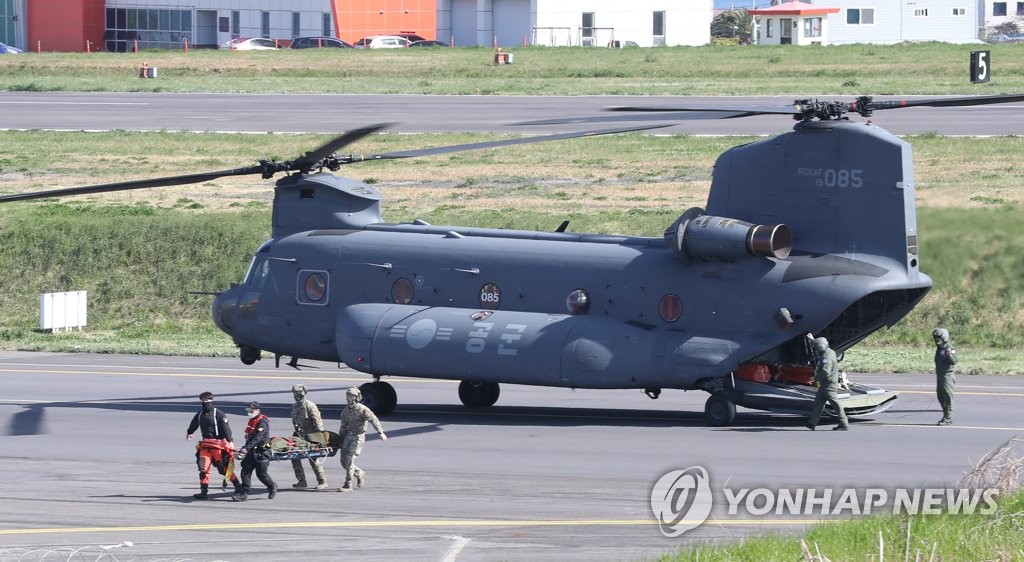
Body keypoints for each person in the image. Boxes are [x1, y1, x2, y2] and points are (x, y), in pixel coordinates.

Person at [186, 391, 242, 499]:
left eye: (207, 400)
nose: (205, 402)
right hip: (206, 446)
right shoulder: (200, 414)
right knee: (203, 469)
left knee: (224, 469)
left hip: (219, 446)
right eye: (203, 400)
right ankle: (204, 492)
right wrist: (190, 432)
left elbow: (226, 428)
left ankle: (238, 486)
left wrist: (230, 441)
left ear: (212, 400)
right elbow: (194, 423)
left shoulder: (219, 413)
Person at [337, 387, 387, 492]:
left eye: (351, 396)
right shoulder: (346, 410)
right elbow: (343, 426)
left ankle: (348, 484)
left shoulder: (362, 409)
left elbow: (374, 420)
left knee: (350, 460)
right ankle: (359, 473)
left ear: (357, 397)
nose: (349, 398)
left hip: (358, 437)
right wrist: (339, 439)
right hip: (348, 436)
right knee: (343, 461)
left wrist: (381, 432)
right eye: (348, 396)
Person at [233, 401, 277, 502]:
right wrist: (245, 448)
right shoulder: (252, 421)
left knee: (261, 474)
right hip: (252, 452)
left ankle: (272, 486)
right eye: (248, 410)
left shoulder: (262, 422)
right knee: (245, 471)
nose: (249, 412)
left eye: (251, 411)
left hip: (262, 453)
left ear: (258, 410)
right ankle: (244, 494)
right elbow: (250, 437)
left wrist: (246, 448)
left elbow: (257, 438)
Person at [804, 335, 850, 431]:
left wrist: (816, 378)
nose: (815, 350)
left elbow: (826, 372)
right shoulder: (830, 351)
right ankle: (812, 423)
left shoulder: (826, 358)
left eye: (816, 348)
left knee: (835, 404)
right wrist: (812, 340)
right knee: (818, 403)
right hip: (825, 384)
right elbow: (820, 344)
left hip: (828, 385)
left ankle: (844, 423)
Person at [290, 384, 329, 490]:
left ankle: (322, 481)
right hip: (299, 436)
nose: (297, 397)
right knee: (294, 457)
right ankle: (301, 481)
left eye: (299, 394)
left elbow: (318, 424)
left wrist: (319, 440)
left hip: (311, 437)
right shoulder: (294, 407)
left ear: (303, 394)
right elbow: (295, 422)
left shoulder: (310, 406)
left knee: (313, 458)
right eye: (295, 394)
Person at [933, 327, 958, 426]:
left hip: (947, 377)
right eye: (935, 337)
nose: (936, 339)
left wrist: (949, 355)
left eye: (939, 337)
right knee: (940, 397)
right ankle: (945, 415)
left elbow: (954, 361)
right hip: (939, 376)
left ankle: (947, 418)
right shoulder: (939, 348)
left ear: (944, 337)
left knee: (948, 398)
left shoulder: (949, 348)